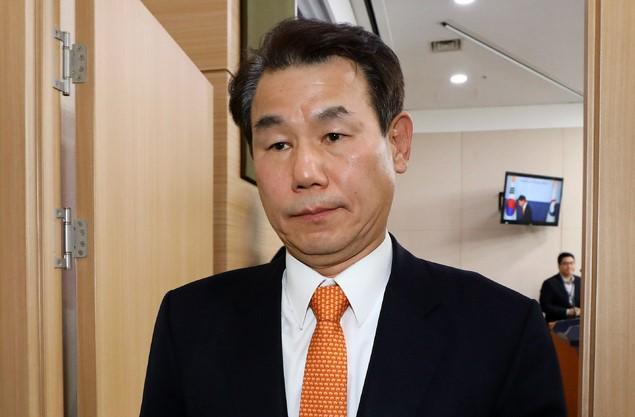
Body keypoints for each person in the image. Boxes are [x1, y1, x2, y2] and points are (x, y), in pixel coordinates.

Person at [140, 19, 565, 417]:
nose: (305, 172)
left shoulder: (502, 329)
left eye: (333, 136)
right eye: (278, 144)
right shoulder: (189, 321)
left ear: (397, 144)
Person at [540, 252, 581, 322]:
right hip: (556, 323)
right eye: (565, 263)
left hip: (578, 322)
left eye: (571, 263)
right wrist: (567, 311)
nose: (569, 266)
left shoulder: (581, 281)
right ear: (559, 265)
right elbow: (544, 306)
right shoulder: (549, 283)